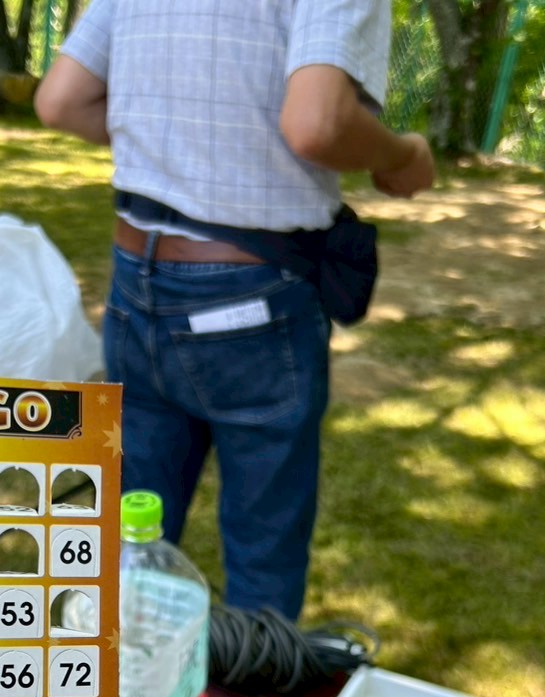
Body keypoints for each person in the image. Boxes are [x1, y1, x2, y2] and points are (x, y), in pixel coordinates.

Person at [35, 0, 435, 620]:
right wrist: (403, 155)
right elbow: (318, 123)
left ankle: (102, 675)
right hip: (254, 295)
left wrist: (173, 140)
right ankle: (253, 679)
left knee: (125, 538)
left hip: (136, 280)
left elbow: (61, 101)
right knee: (263, 553)